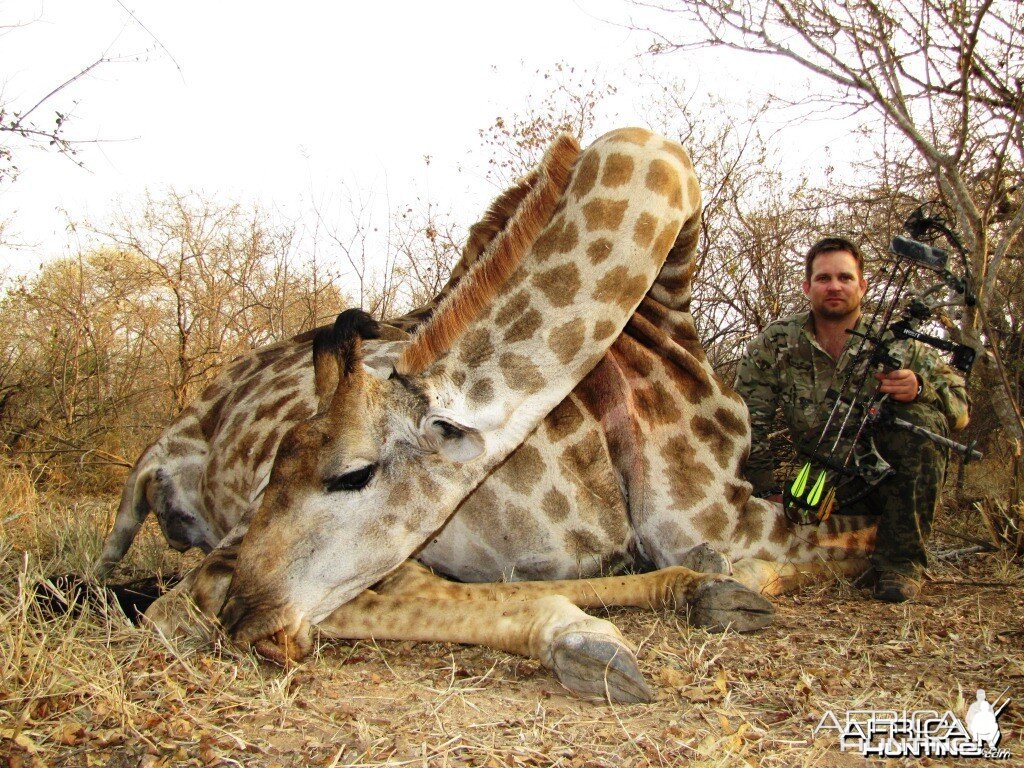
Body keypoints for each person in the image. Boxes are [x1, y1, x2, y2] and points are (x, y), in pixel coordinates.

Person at [734, 236, 970, 602]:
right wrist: (766, 490)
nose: (834, 286)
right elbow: (749, 419)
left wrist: (920, 389)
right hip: (821, 485)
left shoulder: (899, 342)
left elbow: (960, 412)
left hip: (887, 485)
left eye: (845, 278)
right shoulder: (777, 341)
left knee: (922, 419)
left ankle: (900, 564)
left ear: (862, 286)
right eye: (823, 278)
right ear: (807, 286)